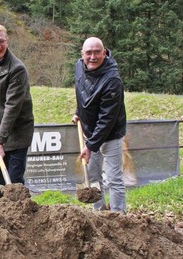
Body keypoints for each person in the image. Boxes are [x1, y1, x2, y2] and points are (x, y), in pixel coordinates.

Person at [0, 24, 34, 198]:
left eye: (1, 41)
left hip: (17, 133)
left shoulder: (17, 69)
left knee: (14, 179)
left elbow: (13, 107)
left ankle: (20, 217)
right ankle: (4, 212)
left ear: (7, 41)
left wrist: (1, 142)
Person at [73, 37, 127, 213]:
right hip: (90, 132)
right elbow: (81, 92)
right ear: (82, 55)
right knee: (94, 177)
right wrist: (78, 111)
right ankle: (100, 214)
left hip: (111, 134)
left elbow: (107, 119)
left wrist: (90, 146)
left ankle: (120, 217)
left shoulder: (112, 80)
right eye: (88, 53)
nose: (93, 57)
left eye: (97, 52)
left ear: (104, 53)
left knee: (113, 178)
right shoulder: (79, 66)